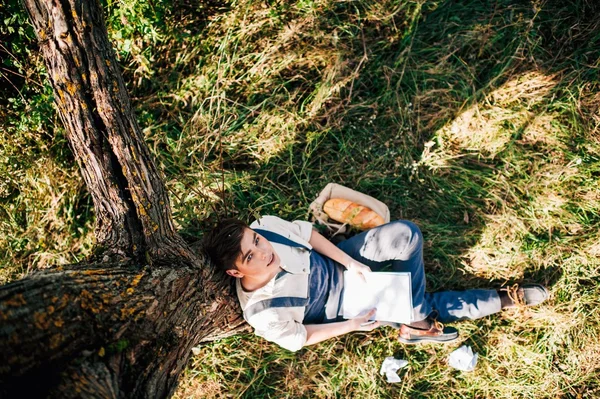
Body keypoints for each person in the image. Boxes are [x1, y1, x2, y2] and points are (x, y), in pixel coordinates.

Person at [202, 215, 549, 352]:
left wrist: (349, 261)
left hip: (342, 263)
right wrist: (351, 325)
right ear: (235, 272)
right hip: (341, 305)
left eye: (257, 241)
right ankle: (502, 299)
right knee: (416, 304)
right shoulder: (261, 313)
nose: (264, 252)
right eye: (250, 257)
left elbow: (308, 234)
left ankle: (416, 321)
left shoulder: (265, 227)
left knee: (406, 234)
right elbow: (299, 338)